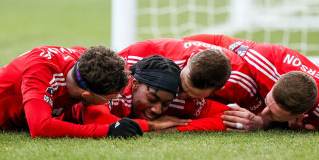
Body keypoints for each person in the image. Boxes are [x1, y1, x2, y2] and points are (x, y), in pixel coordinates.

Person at [183, 34, 319, 131]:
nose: (264, 111)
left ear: (301, 114)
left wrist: (264, 122)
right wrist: (178, 48)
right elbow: (218, 42)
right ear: (274, 84)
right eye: (268, 104)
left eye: (275, 114)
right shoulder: (265, 60)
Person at [0, 45, 144, 138]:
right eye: (109, 98)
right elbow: (41, 128)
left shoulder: (83, 61)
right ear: (87, 95)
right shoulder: (40, 73)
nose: (111, 101)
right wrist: (108, 131)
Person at [71, 55, 230, 132]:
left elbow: (226, 116)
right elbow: (97, 120)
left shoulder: (176, 97)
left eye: (165, 104)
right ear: (134, 84)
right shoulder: (112, 90)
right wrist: (151, 126)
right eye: (152, 99)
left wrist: (175, 129)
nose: (157, 110)